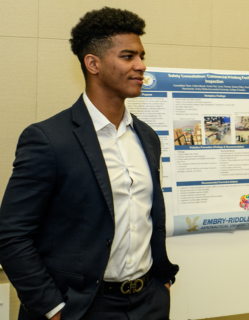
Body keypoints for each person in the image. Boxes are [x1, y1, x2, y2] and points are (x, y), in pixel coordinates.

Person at [0, 7, 178, 320]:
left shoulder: (147, 136)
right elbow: (12, 235)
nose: (141, 65)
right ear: (92, 63)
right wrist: (52, 308)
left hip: (148, 303)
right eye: (128, 56)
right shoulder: (48, 139)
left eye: (141, 55)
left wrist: (161, 283)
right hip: (81, 308)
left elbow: (150, 218)